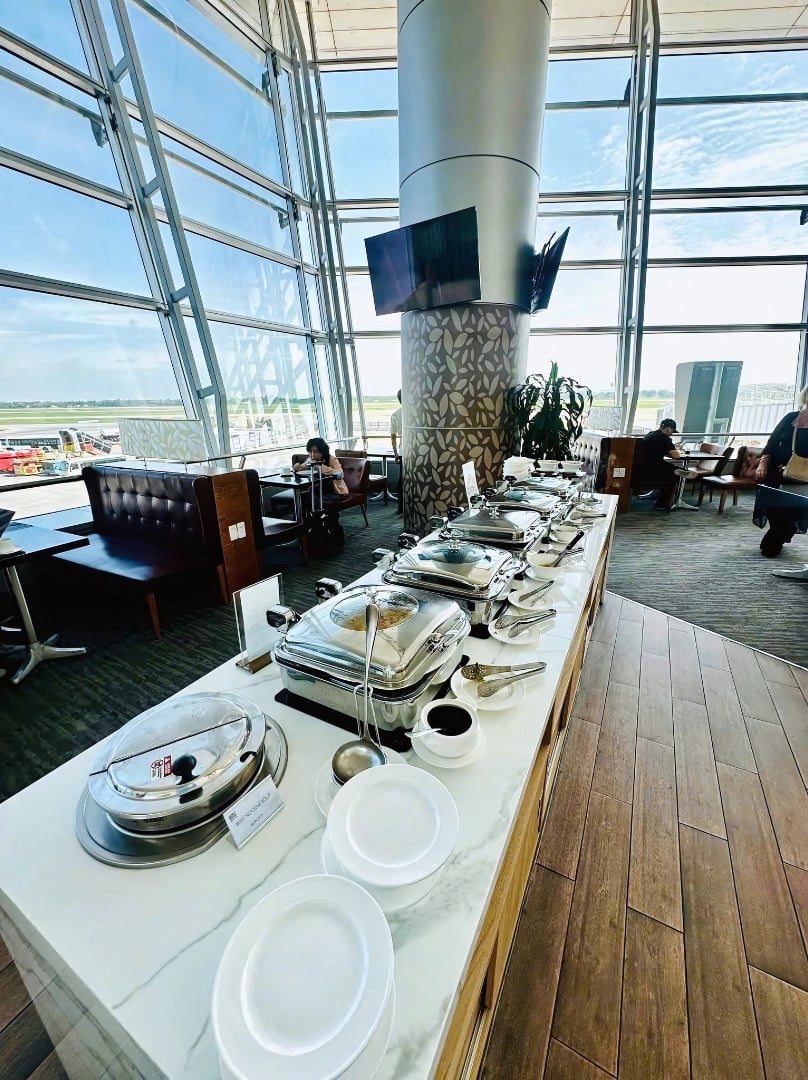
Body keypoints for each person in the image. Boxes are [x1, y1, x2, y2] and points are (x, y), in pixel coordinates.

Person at [753, 386, 808, 562]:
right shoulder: (791, 417)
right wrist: (762, 464)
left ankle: (777, 537)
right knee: (775, 510)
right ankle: (778, 536)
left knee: (790, 514)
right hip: (774, 474)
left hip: (800, 478)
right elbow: (771, 443)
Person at [637, 418, 686, 512]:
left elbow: (658, 449)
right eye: (672, 431)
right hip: (654, 469)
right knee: (676, 473)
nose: (671, 434)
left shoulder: (650, 434)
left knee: (671, 468)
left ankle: (655, 492)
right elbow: (676, 456)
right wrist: (677, 449)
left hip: (642, 467)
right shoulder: (664, 439)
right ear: (668, 429)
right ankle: (662, 503)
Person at [294, 437, 348, 507]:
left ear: (323, 451)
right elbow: (302, 468)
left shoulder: (331, 459)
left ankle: (329, 516)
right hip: (320, 492)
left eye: (316, 451)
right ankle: (303, 518)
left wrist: (320, 466)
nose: (312, 455)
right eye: (310, 451)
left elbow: (340, 474)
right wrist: (297, 467)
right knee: (303, 497)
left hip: (337, 493)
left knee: (314, 500)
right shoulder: (310, 460)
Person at [390, 390, 404, 515]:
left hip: (403, 451)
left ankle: (400, 507)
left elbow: (393, 437)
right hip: (417, 451)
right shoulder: (415, 412)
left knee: (401, 480)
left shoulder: (395, 415)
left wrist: (395, 452)